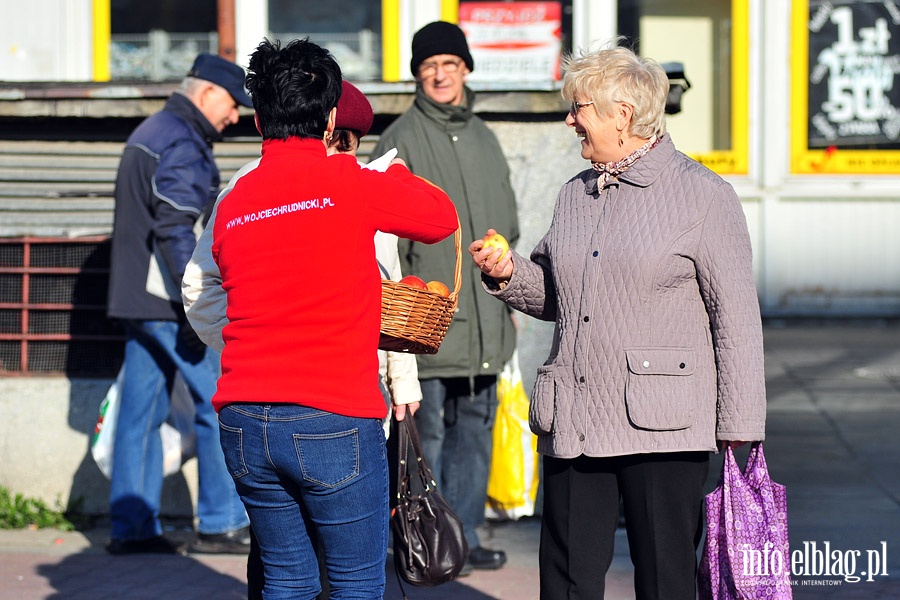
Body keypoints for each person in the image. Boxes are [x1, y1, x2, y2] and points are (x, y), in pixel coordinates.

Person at [469, 44, 767, 600]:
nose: (570, 119)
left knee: (664, 578)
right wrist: (510, 273)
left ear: (621, 114)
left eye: (579, 107)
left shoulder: (704, 197)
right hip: (577, 419)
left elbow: (737, 320)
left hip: (665, 428)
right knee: (564, 579)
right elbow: (557, 294)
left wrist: (740, 426)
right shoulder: (574, 195)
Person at [183, 38, 457, 598]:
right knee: (355, 583)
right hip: (332, 416)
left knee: (286, 581)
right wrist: (397, 174)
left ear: (259, 117)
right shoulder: (350, 184)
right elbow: (441, 218)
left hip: (243, 419)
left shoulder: (234, 199)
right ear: (332, 116)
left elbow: (211, 286)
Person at [372, 20, 520, 572]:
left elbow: (509, 227)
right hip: (426, 324)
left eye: (449, 64)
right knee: (423, 433)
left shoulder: (484, 137)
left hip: (485, 322)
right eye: (429, 65)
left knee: (475, 431)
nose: (439, 74)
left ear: (465, 70)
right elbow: (386, 245)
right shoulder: (400, 140)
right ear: (418, 75)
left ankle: (466, 535)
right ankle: (417, 536)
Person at [105, 52, 254, 556]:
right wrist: (197, 305)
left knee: (138, 413)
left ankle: (131, 528)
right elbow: (174, 228)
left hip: (136, 300)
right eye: (232, 104)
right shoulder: (182, 141)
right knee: (218, 404)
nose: (234, 117)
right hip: (169, 302)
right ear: (207, 91)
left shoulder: (150, 131)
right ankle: (220, 521)